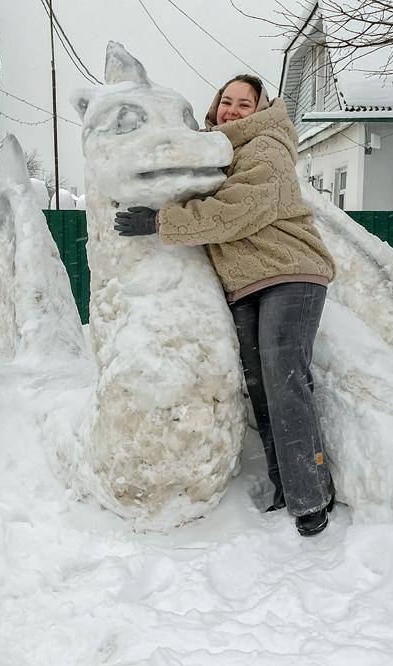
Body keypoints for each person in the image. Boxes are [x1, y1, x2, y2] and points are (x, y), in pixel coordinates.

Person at [114, 75, 337, 536]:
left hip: (289, 274)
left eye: (244, 104)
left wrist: (161, 221)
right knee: (261, 389)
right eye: (227, 101)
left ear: (259, 110)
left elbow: (236, 211)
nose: (233, 110)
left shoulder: (267, 148)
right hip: (245, 285)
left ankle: (311, 497)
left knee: (284, 379)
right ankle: (285, 489)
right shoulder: (216, 151)